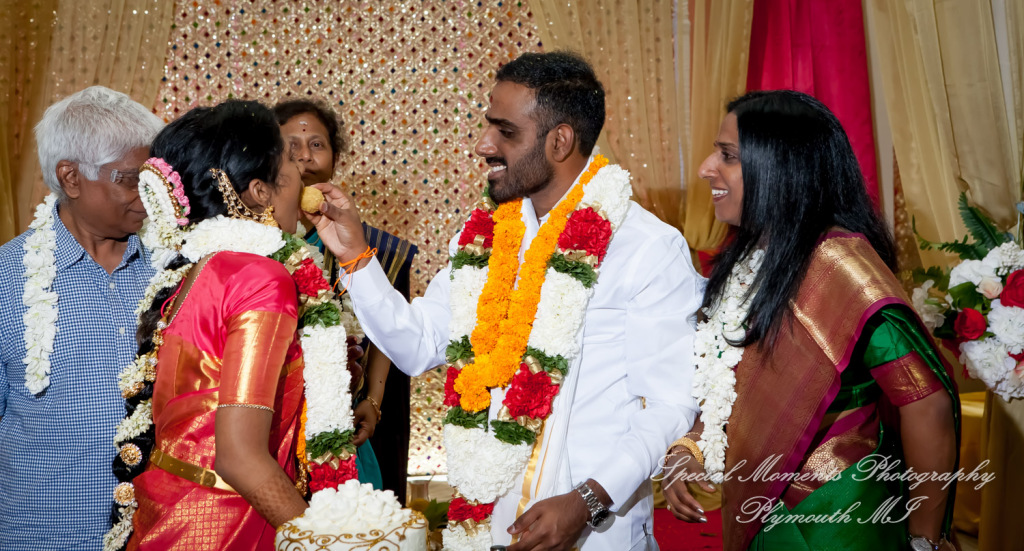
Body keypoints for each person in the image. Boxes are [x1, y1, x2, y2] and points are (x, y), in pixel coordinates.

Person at [307, 51, 703, 551]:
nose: (483, 145)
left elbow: (667, 405)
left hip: (596, 532)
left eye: (506, 132)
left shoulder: (646, 247)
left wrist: (587, 501)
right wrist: (354, 255)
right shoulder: (485, 241)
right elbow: (417, 345)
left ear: (560, 140)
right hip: (485, 525)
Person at [660, 90, 960, 551]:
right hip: (765, 507)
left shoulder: (840, 266)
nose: (705, 168)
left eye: (728, 156)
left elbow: (926, 401)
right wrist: (693, 446)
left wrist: (923, 541)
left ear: (781, 169)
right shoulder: (755, 253)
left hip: (833, 519)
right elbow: (730, 379)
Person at [110, 100, 311, 550]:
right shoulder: (261, 278)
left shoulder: (197, 271)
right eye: (291, 160)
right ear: (260, 191)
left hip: (168, 512)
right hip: (227, 522)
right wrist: (324, 540)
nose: (304, 174)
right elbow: (240, 457)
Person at [0, 86, 162, 551]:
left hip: (158, 534)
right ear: (70, 178)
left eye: (152, 179)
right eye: (130, 180)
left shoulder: (176, 268)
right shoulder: (8, 280)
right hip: (41, 535)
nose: (147, 196)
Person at [274, 99, 418, 502]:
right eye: (292, 145)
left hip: (342, 420)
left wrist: (372, 400)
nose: (305, 156)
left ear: (335, 159)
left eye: (317, 144)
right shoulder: (252, 241)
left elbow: (386, 326)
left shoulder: (373, 247)